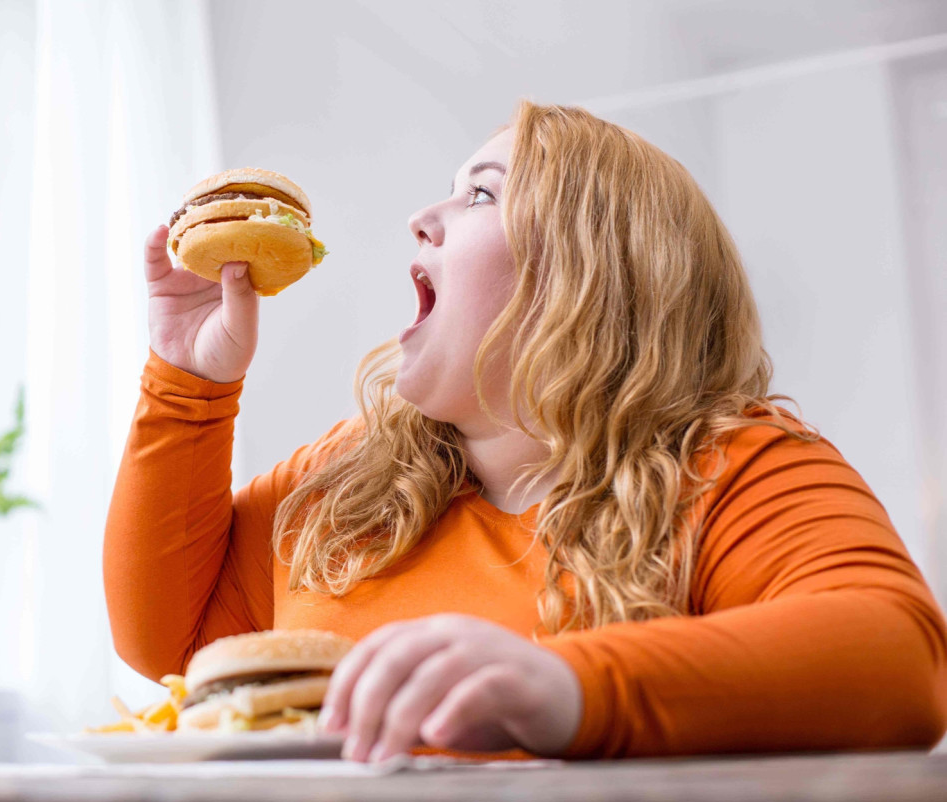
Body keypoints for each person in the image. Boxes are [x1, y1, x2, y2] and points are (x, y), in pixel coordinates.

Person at [104, 100, 947, 763]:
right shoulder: (348, 478)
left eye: (481, 193)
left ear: (590, 272)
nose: (421, 218)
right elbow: (170, 645)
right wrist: (189, 382)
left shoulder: (730, 465)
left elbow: (900, 663)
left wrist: (566, 688)